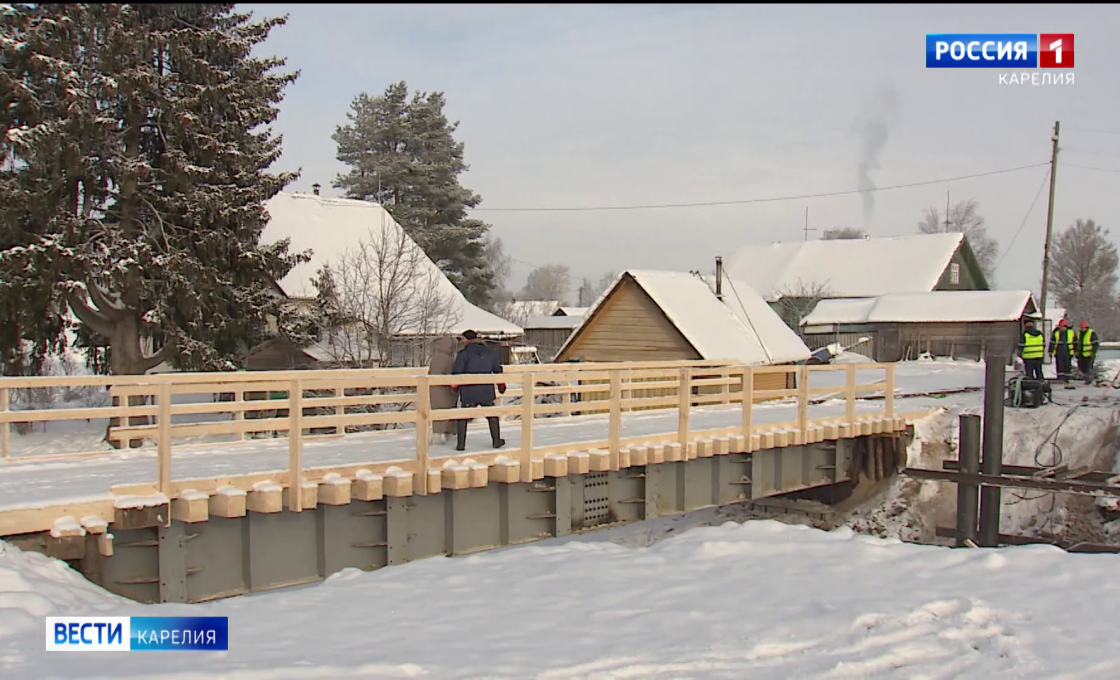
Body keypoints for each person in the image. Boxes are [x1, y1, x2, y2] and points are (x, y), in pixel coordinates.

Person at [450, 330, 507, 451]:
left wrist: (454, 387)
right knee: (491, 414)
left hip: (469, 391)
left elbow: (457, 372)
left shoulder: (463, 354)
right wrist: (501, 384)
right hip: (486, 390)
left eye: (462, 339)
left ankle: (461, 444)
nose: (461, 341)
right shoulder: (489, 352)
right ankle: (496, 440)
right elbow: (497, 370)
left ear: (466, 339)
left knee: (463, 415)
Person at [426, 336, 459, 445]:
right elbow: (450, 374)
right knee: (446, 410)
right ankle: (444, 434)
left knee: (438, 411)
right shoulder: (448, 359)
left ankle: (438, 434)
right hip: (445, 389)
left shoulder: (436, 357)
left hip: (435, 388)